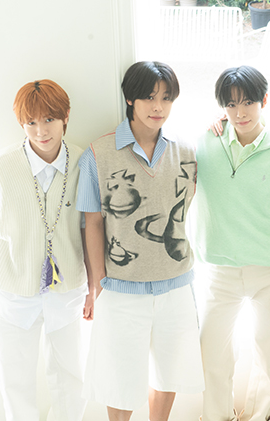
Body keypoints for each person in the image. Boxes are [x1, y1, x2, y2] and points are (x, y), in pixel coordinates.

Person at [77, 61, 204, 421]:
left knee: (170, 372)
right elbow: (92, 223)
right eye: (149, 97)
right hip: (120, 288)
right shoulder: (98, 154)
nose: (158, 107)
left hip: (176, 284)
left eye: (166, 98)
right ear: (130, 98)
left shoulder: (186, 151)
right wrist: (98, 284)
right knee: (119, 379)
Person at [0, 79, 92, 420]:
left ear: (65, 117)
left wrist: (91, 288)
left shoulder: (84, 164)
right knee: (15, 380)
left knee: (70, 377)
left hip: (68, 291)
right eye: (31, 122)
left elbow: (89, 229)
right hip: (13, 292)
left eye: (49, 119)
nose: (41, 131)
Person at [197, 65, 270, 421]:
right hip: (220, 270)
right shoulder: (205, 144)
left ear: (264, 101)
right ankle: (216, 417)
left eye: (247, 103)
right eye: (231, 104)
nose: (240, 113)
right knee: (211, 353)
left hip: (269, 272)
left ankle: (257, 417)